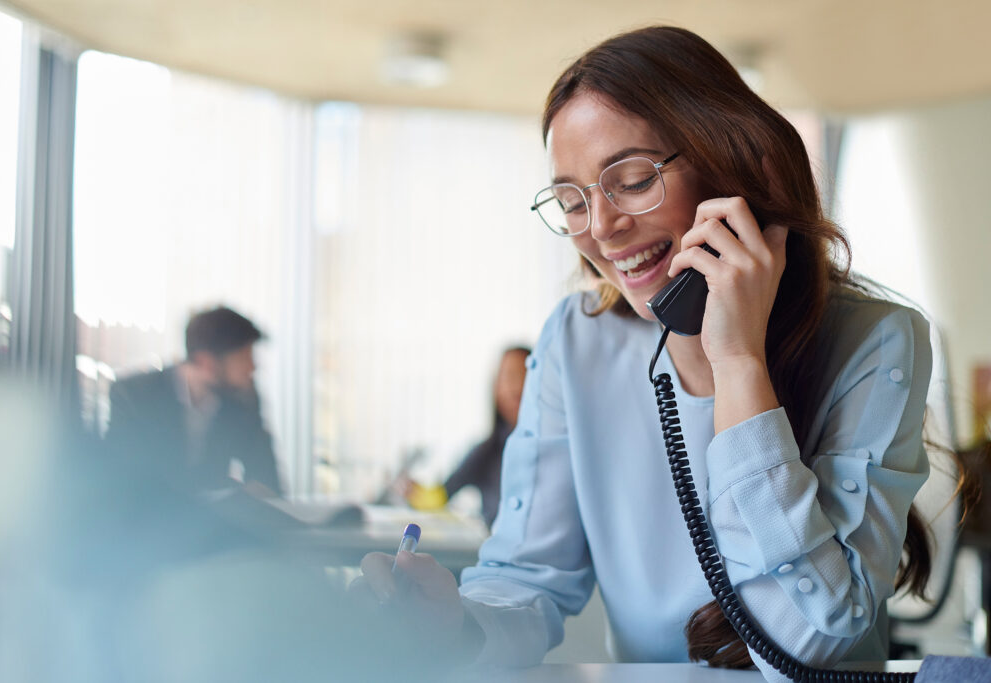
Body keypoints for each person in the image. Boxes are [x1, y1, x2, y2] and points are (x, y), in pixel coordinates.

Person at [356, 25, 937, 681]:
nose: (600, 228)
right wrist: (456, 623)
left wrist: (737, 362)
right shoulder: (577, 339)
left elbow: (803, 649)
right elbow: (526, 580)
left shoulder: (879, 340)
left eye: (631, 180)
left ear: (735, 167)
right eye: (572, 200)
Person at [104, 306, 281, 495]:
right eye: (244, 358)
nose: (252, 367)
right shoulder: (135, 394)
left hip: (214, 520)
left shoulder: (244, 399)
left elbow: (267, 481)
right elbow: (116, 477)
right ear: (206, 362)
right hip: (147, 518)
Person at [402, 346, 531, 528]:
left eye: (524, 375)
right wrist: (412, 492)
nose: (516, 385)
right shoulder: (486, 452)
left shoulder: (559, 450)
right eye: (508, 376)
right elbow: (441, 496)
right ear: (495, 388)